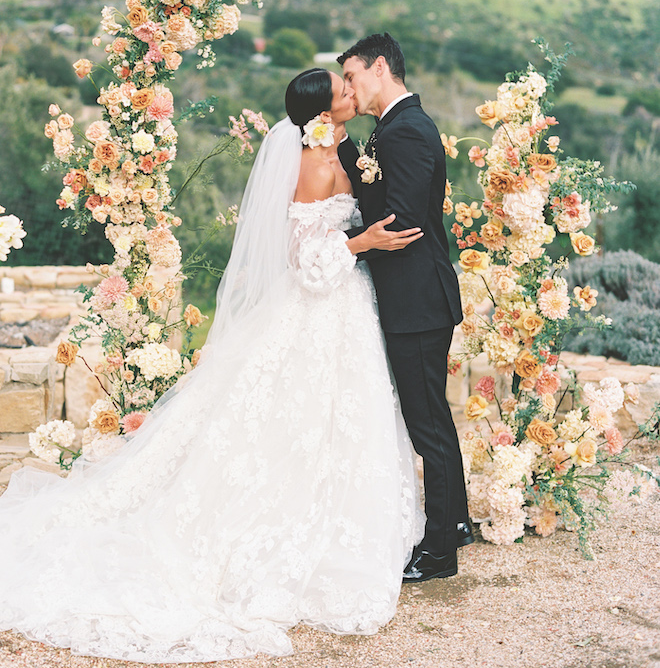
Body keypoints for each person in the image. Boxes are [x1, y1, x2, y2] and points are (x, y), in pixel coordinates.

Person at [0, 67, 426, 663]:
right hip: (320, 307)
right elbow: (304, 261)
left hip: (343, 313)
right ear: (324, 112)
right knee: (295, 426)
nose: (353, 94)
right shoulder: (314, 162)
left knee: (334, 423)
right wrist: (359, 245)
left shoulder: (335, 149)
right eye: (343, 91)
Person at [337, 33, 474, 583]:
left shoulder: (408, 130)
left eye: (351, 76)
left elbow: (401, 221)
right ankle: (455, 522)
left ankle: (440, 551)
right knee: (431, 419)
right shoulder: (391, 128)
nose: (348, 87)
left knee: (427, 426)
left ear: (378, 68)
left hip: (417, 300)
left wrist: (340, 235)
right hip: (412, 298)